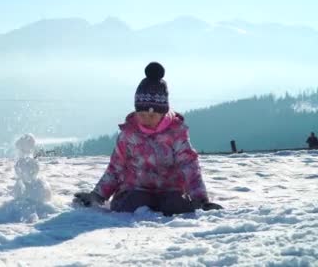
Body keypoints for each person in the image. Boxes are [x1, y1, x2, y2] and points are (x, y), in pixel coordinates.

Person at [74, 62, 222, 216]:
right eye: (141, 114)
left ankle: (177, 206)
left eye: (152, 115)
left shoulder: (176, 133)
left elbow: (189, 166)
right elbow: (116, 168)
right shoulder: (129, 134)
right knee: (132, 204)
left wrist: (201, 200)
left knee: (175, 205)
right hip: (135, 189)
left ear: (163, 112)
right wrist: (98, 196)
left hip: (170, 190)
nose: (146, 119)